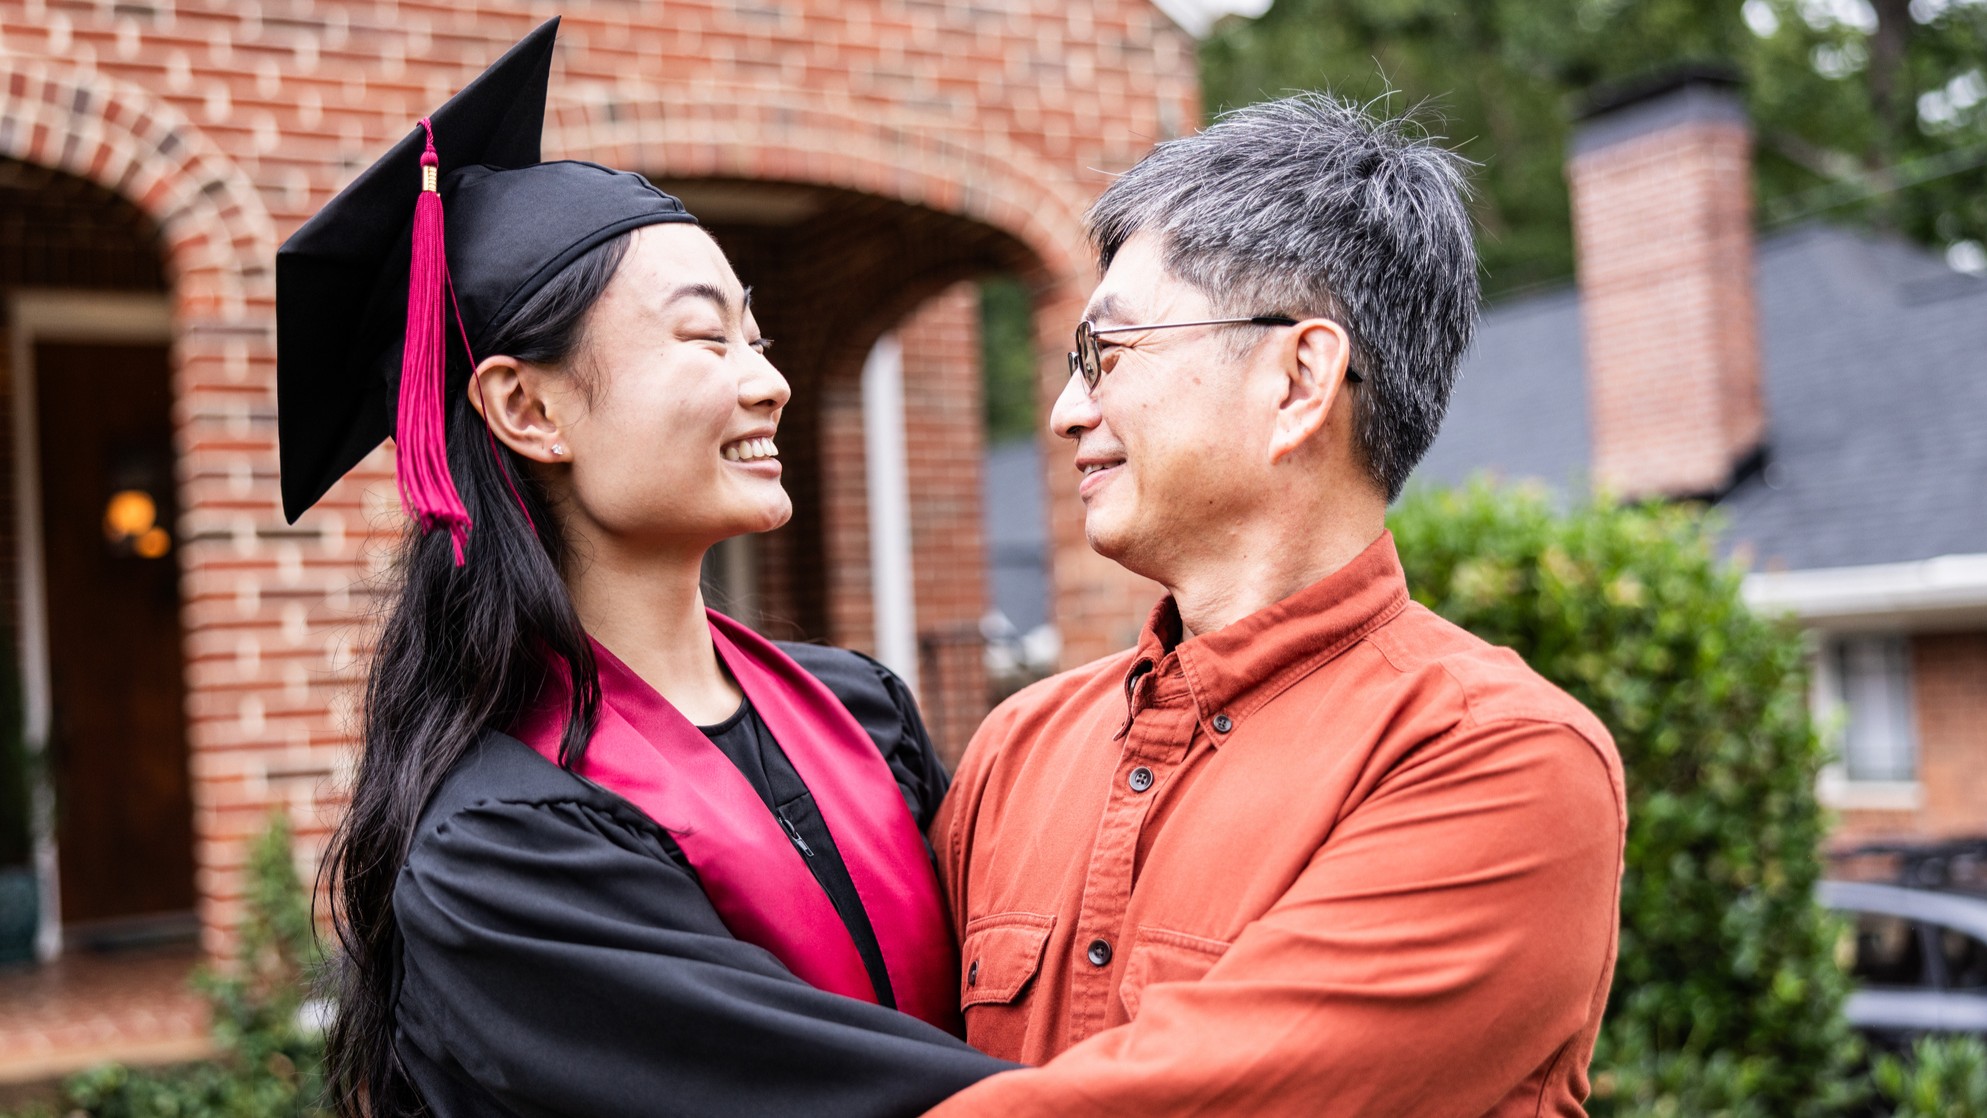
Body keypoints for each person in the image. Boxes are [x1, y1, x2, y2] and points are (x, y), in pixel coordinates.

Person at [279, 21, 1013, 1118]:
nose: (766, 382)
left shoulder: (862, 710)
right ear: (527, 409)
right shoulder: (505, 847)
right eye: (704, 338)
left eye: (755, 340)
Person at [928, 95, 1627, 1116]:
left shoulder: (1501, 759)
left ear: (1299, 378)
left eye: (1109, 354)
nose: (1066, 409)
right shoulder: (1016, 746)